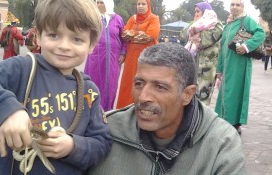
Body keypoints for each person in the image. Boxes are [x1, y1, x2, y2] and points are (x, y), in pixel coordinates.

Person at [0, 0, 112, 174]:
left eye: (76, 39)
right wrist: (7, 109)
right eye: (54, 35)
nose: (64, 46)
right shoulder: (22, 69)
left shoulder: (89, 91)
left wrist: (73, 146)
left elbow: (102, 143)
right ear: (38, 35)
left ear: (91, 44)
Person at [88, 42, 246, 174]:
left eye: (160, 87)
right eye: (139, 84)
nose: (143, 97)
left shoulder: (221, 144)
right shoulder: (106, 130)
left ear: (187, 94)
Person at [215, 0, 265, 134]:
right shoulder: (228, 25)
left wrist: (246, 46)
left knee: (236, 92)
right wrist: (219, 69)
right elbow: (222, 47)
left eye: (238, 4)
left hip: (240, 65)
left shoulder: (246, 20)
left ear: (243, 7)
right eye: (232, 4)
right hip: (227, 66)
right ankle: (222, 119)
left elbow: (260, 33)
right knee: (225, 92)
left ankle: (234, 123)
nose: (235, 7)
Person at [116, 0, 160, 109]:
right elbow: (124, 34)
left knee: (144, 82)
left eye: (143, 4)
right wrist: (139, 34)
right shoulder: (132, 19)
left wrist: (133, 34)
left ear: (148, 5)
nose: (140, 6)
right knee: (129, 83)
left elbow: (150, 36)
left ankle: (143, 108)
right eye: (138, 4)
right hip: (131, 58)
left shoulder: (153, 19)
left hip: (147, 58)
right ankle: (124, 108)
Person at [84, 0, 126, 111]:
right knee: (93, 83)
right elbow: (85, 35)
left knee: (110, 85)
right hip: (95, 58)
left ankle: (107, 112)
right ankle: (92, 111)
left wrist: (123, 52)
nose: (98, 5)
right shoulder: (93, 18)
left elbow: (124, 38)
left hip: (113, 59)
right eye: (97, 2)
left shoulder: (117, 19)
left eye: (101, 2)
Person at [181, 2, 223, 105]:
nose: (196, 14)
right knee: (190, 94)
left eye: (198, 11)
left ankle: (201, 119)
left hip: (207, 67)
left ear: (206, 11)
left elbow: (206, 39)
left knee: (203, 96)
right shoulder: (195, 24)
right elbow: (183, 34)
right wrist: (195, 24)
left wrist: (196, 32)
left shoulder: (216, 24)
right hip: (192, 65)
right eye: (195, 11)